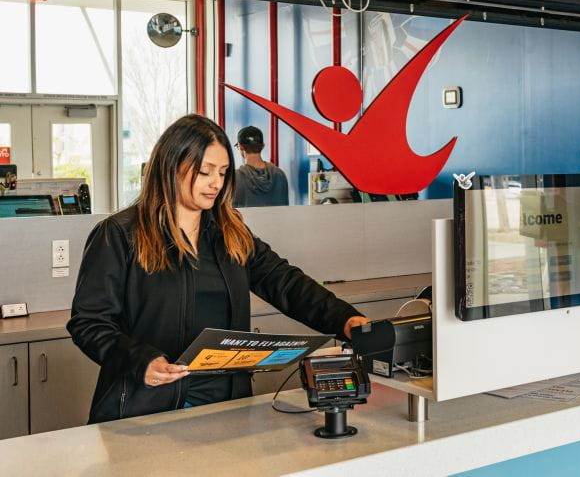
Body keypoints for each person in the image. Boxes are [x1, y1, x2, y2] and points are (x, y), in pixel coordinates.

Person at [67, 115, 368, 424]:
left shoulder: (230, 233)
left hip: (227, 406)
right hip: (148, 407)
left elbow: (286, 283)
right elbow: (89, 323)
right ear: (171, 166)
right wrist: (139, 360)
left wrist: (344, 318)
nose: (216, 183)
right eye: (204, 171)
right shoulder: (120, 234)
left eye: (223, 172)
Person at [234, 125, 290, 207]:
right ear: (263, 146)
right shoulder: (280, 175)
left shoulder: (235, 178)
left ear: (241, 147)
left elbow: (230, 213)